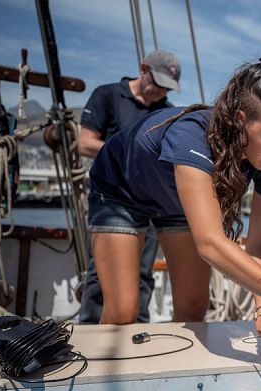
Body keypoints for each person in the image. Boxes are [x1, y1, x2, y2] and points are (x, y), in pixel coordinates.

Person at [88, 57, 261, 348]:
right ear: (239, 119)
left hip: (175, 202)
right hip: (120, 189)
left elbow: (259, 241)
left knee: (194, 308)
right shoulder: (192, 136)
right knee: (122, 310)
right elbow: (210, 244)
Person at [78, 50, 181, 323]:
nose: (161, 91)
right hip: (114, 196)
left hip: (150, 199)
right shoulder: (108, 95)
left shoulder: (167, 112)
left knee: (143, 272)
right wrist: (129, 153)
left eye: (167, 88)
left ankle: (137, 329)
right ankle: (91, 330)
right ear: (143, 68)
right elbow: (85, 142)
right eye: (158, 83)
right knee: (102, 274)